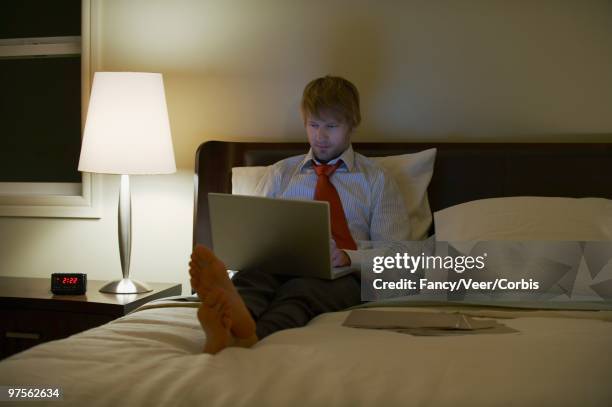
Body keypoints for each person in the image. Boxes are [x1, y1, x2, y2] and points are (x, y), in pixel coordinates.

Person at [189, 75, 410, 354]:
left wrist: (348, 257)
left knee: (302, 292)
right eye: (313, 125)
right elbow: (253, 231)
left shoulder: (376, 180)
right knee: (251, 279)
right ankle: (231, 320)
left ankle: (250, 336)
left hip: (342, 276)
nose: (320, 136)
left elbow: (399, 257)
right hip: (276, 265)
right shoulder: (281, 174)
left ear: (352, 126)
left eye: (331, 126)